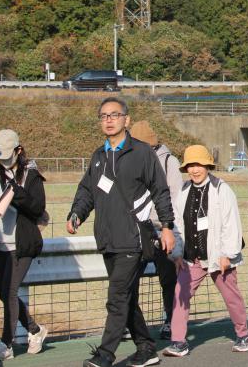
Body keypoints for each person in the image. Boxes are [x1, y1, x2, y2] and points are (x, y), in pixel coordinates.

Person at [68, 97, 176, 367]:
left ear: (126, 120)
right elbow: (87, 191)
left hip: (133, 238)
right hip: (107, 239)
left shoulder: (142, 153)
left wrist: (167, 227)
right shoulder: (98, 156)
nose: (108, 119)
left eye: (114, 115)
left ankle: (105, 355)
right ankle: (146, 348)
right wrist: (77, 213)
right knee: (127, 297)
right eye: (103, 115)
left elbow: (161, 191)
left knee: (117, 297)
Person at [164, 145, 248, 357]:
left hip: (219, 255)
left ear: (207, 165)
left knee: (231, 296)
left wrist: (227, 255)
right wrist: (176, 254)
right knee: (180, 294)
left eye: (199, 165)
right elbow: (177, 225)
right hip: (191, 258)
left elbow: (231, 225)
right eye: (191, 165)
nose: (195, 170)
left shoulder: (222, 189)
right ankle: (178, 341)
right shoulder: (183, 190)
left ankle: (244, 334)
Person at [0, 130, 48, 360]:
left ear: (18, 150)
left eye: (7, 156)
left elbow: (37, 208)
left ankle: (6, 344)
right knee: (5, 294)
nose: (3, 162)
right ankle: (35, 330)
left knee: (11, 291)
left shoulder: (31, 176)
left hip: (22, 245)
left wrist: (16, 192)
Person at [129, 121, 181, 341]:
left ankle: (171, 320)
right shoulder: (128, 160)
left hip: (162, 229)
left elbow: (176, 198)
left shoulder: (169, 162)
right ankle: (128, 322)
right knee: (128, 279)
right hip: (135, 228)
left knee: (168, 279)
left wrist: (166, 226)